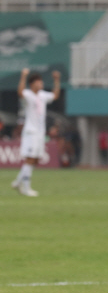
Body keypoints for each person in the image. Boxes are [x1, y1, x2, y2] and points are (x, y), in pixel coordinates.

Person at [11, 68, 60, 197]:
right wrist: (23, 76)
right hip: (31, 131)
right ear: (32, 84)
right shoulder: (28, 94)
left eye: (41, 82)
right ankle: (26, 188)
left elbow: (55, 95)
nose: (41, 84)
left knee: (36, 160)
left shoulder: (43, 95)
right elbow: (20, 92)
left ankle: (17, 182)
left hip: (40, 132)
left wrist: (57, 80)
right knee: (30, 159)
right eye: (38, 82)